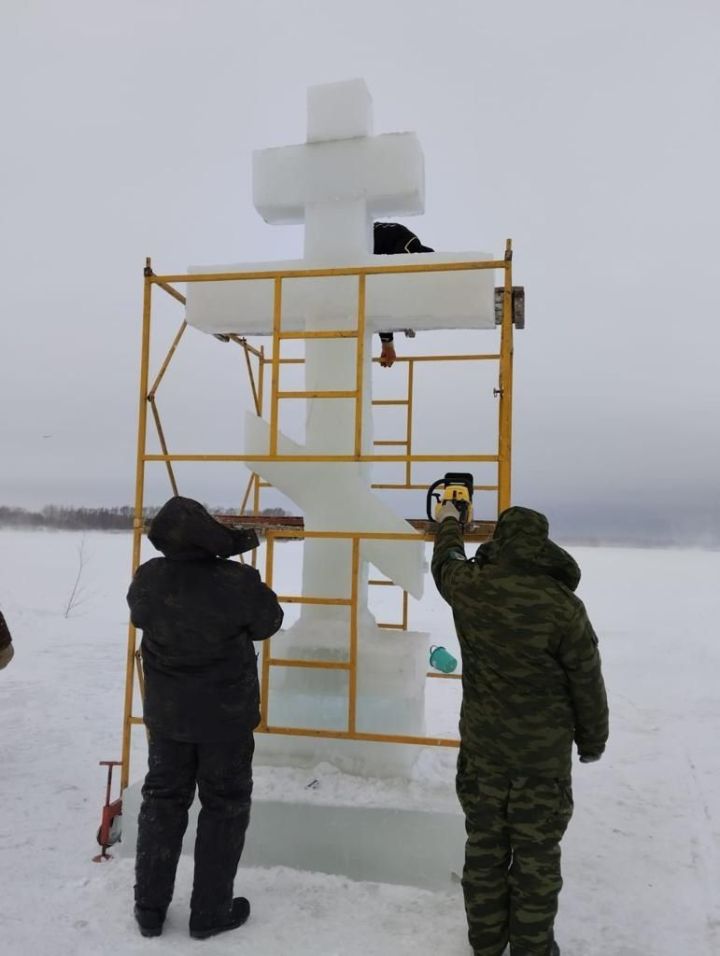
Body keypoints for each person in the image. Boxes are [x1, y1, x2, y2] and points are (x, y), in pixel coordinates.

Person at [431, 503, 609, 956]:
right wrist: (592, 741)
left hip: (483, 753)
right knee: (536, 860)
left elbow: (445, 564)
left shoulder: (472, 588)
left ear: (502, 539)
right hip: (541, 762)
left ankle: (487, 945)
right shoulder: (563, 606)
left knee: (485, 851)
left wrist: (449, 521)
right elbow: (587, 681)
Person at [127, 496, 284, 940]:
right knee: (224, 807)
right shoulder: (236, 581)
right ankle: (210, 911)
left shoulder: (149, 579)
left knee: (161, 802)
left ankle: (149, 909)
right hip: (225, 721)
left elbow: (140, 614)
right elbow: (268, 622)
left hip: (168, 717)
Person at [373, 221, 434, 367]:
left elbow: (380, 302)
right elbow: (384, 297)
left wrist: (387, 345)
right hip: (355, 245)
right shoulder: (410, 246)